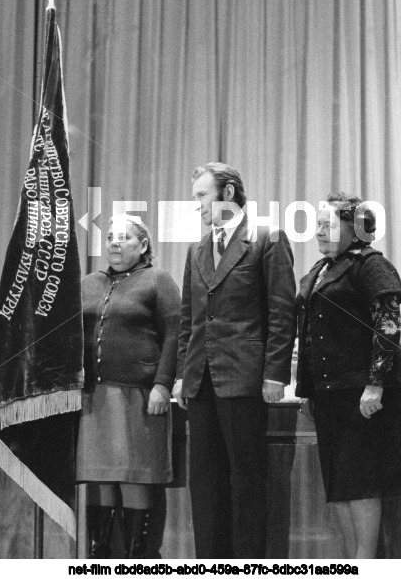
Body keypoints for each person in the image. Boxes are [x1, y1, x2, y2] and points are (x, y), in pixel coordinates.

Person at [173, 162, 296, 558]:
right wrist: (180, 376)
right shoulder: (197, 249)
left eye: (202, 196)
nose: (198, 206)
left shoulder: (267, 239)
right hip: (200, 382)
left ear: (227, 194)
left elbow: (282, 313)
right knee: (204, 482)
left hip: (243, 379)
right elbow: (189, 321)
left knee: (246, 480)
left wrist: (275, 374)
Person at [295, 193, 401, 558]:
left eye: (327, 224)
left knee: (360, 485)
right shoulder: (319, 271)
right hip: (330, 396)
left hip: (363, 397)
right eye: (318, 224)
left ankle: (365, 564)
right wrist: (308, 393)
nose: (319, 231)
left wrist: (375, 385)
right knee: (340, 487)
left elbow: (388, 325)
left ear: (354, 227)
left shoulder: (372, 264)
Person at [77, 215, 181, 558]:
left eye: (123, 237)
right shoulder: (89, 282)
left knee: (135, 475)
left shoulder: (158, 280)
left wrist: (163, 385)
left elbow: (175, 337)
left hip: (139, 395)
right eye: (109, 237)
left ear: (143, 245)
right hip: (95, 397)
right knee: (101, 476)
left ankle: (138, 556)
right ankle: (101, 553)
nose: (114, 243)